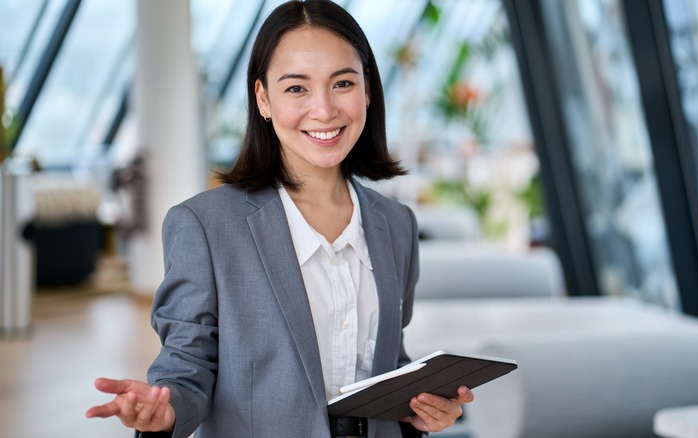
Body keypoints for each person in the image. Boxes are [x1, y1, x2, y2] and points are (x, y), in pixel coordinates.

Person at [85, 1, 474, 436]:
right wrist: (164, 412)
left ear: (367, 90)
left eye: (342, 83)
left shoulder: (396, 224)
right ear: (263, 99)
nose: (324, 110)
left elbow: (386, 359)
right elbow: (187, 369)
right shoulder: (205, 226)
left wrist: (416, 406)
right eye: (296, 88)